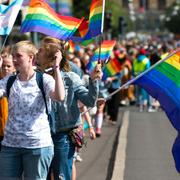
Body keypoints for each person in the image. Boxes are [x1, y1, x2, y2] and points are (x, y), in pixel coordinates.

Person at [37, 36, 102, 180]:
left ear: (52, 56)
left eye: (41, 50)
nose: (37, 52)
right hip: (39, 137)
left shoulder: (70, 78)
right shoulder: (35, 77)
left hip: (62, 136)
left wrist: (94, 80)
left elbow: (90, 101)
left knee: (61, 176)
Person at [0, 40, 65, 180]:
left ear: (31, 58)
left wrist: (57, 68)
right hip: (10, 146)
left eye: (18, 56)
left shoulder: (44, 79)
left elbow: (59, 96)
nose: (15, 59)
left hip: (37, 146)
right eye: (13, 56)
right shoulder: (9, 81)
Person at [0, 50, 16, 150]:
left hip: (12, 132)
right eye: (3, 66)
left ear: (14, 67)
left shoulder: (18, 82)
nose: (5, 68)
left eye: (8, 66)